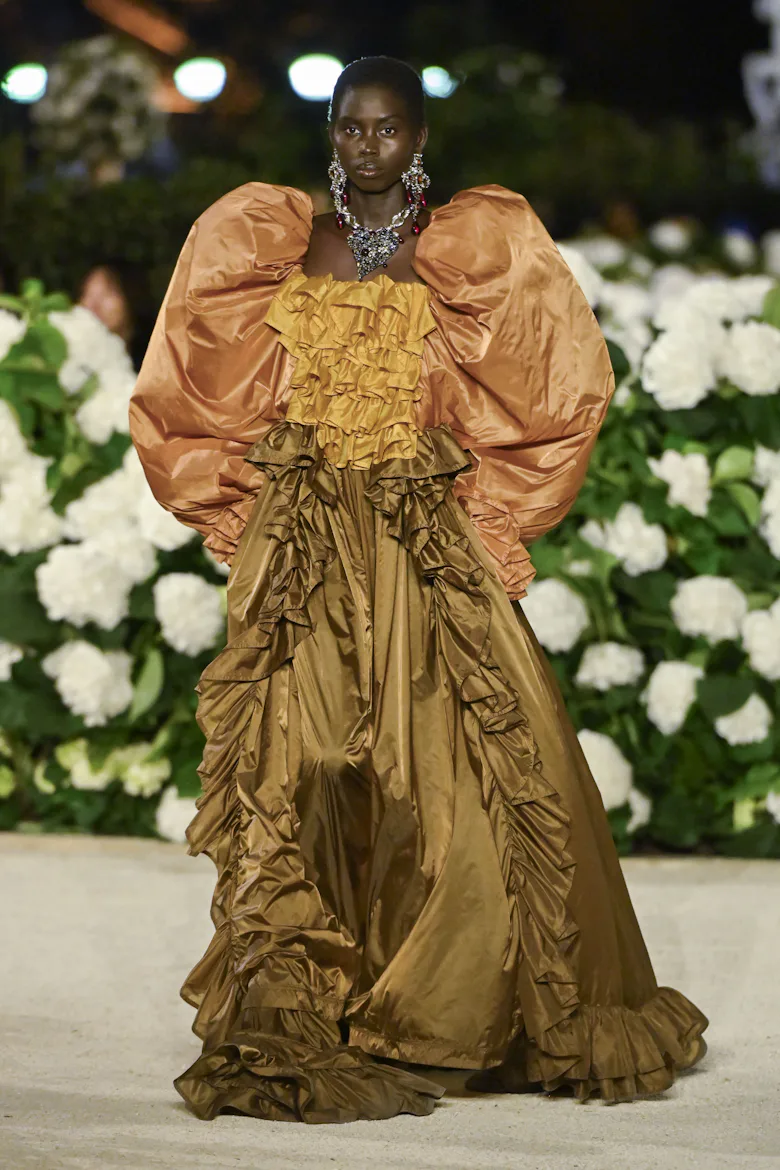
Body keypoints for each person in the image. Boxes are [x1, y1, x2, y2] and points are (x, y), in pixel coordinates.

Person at [129, 55, 709, 1125]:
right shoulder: (280, 240)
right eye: (350, 127)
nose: (366, 146)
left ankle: (451, 1012)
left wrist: (487, 506)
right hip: (307, 541)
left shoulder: (467, 247)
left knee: (452, 778)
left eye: (386, 129)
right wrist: (244, 501)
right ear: (332, 133)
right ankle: (314, 997)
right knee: (298, 763)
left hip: (420, 538)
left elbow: (551, 376)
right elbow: (197, 372)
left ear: (419, 137)